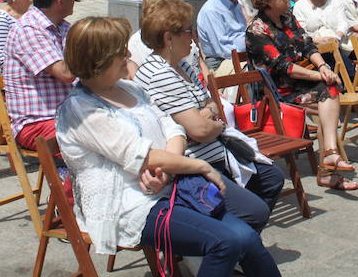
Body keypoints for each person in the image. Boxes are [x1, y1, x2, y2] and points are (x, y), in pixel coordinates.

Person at [55, 17, 281, 276]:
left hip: (170, 185)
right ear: (99, 60)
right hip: (130, 202)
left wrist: (169, 168)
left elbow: (171, 127)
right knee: (226, 242)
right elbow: (143, 155)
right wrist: (197, 165)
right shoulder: (80, 109)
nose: (129, 54)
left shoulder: (128, 88)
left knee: (247, 237)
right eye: (120, 51)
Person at [137, 0, 285, 231]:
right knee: (255, 211)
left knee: (272, 178)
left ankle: (240, 243)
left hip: (217, 149)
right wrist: (207, 122)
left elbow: (213, 106)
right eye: (188, 31)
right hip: (195, 161)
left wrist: (205, 118)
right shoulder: (160, 74)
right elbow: (201, 130)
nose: (194, 36)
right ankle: (234, 245)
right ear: (169, 38)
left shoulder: (182, 65)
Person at [245, 0, 358, 191]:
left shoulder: (287, 18)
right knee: (329, 93)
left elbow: (306, 45)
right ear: (268, 0)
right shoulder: (257, 30)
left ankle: (330, 156)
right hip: (276, 91)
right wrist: (319, 75)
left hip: (299, 83)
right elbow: (283, 67)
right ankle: (329, 166)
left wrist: (323, 67)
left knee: (330, 89)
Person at [3, 0, 76, 149]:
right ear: (60, 0)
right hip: (37, 123)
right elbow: (66, 74)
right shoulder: (29, 29)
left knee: (123, 122)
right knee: (99, 137)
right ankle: (65, 176)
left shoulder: (63, 26)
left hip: (68, 114)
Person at [197, 0, 250, 77]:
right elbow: (225, 50)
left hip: (242, 55)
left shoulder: (236, 3)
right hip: (222, 62)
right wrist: (253, 48)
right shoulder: (212, 11)